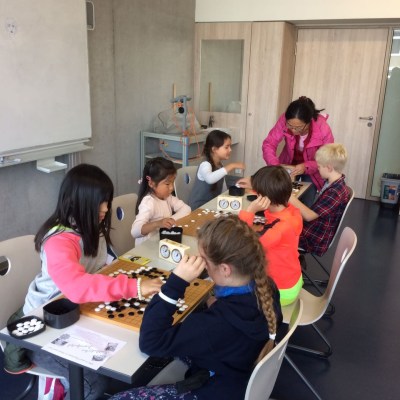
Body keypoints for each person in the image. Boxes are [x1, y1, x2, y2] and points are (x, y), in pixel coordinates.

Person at [4, 164, 163, 399]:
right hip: (43, 327)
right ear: (77, 202)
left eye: (107, 201)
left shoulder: (91, 226)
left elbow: (101, 265)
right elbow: (77, 288)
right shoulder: (58, 241)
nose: (106, 208)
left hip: (77, 312)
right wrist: (135, 287)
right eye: (100, 202)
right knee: (92, 384)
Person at [109, 215, 282, 400]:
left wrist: (176, 282)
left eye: (204, 260)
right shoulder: (266, 286)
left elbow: (150, 342)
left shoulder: (214, 325)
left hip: (214, 390)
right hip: (237, 371)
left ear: (225, 269)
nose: (201, 264)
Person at [238, 166, 303, 306]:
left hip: (281, 291)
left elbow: (241, 242)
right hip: (293, 279)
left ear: (264, 197)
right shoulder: (293, 212)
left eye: (256, 192)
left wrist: (250, 211)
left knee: (232, 286)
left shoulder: (279, 229)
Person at [262, 96, 334, 206]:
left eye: (298, 127)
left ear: (309, 122)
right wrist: (275, 165)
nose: (293, 130)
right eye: (289, 126)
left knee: (306, 201)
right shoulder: (285, 120)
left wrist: (306, 166)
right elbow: (269, 144)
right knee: (282, 199)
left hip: (312, 168)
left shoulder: (322, 128)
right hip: (288, 163)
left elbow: (327, 157)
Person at [289, 143, 350, 256]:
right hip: (314, 230)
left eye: (319, 167)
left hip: (313, 239)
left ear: (329, 168)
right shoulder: (333, 183)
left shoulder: (335, 192)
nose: (318, 169)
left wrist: (289, 196)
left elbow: (309, 216)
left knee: (276, 227)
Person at [131, 157, 191, 245]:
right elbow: (135, 231)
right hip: (147, 247)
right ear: (151, 183)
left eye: (172, 182)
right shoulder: (149, 202)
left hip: (160, 242)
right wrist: (157, 223)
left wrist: (170, 220)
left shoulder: (167, 197)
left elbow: (186, 209)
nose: (172, 187)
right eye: (167, 183)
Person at [188, 129, 245, 210]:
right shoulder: (205, 164)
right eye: (226, 147)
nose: (230, 150)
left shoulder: (220, 165)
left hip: (212, 206)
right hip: (198, 209)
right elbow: (210, 179)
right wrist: (231, 166)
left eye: (230, 146)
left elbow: (223, 189)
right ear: (214, 149)